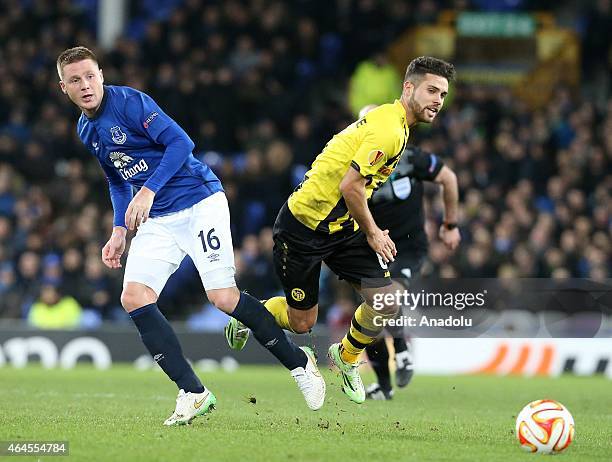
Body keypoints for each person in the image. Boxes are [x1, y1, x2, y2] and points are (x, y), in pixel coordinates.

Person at [56, 46, 325, 425]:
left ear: (101, 74)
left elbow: (181, 143)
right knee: (134, 296)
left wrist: (147, 190)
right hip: (159, 218)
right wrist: (118, 229)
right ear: (63, 87)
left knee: (222, 297)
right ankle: (193, 392)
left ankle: (300, 364)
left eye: (90, 76)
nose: (85, 85)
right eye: (75, 80)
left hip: (200, 202)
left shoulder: (131, 103)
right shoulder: (86, 129)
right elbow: (117, 178)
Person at [226, 56, 455, 404]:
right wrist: (375, 233)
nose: (438, 100)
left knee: (386, 300)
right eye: (432, 90)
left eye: (443, 93)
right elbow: (351, 186)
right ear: (408, 88)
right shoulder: (390, 129)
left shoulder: (398, 125)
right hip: (303, 226)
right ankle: (251, 311)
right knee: (302, 323)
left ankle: (345, 357)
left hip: (341, 227)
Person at [363, 134, 461, 399]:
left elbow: (448, 178)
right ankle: (384, 386)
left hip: (408, 248)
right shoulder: (355, 168)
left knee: (387, 297)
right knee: (367, 321)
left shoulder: (411, 158)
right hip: (372, 250)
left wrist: (450, 224)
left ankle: (402, 351)